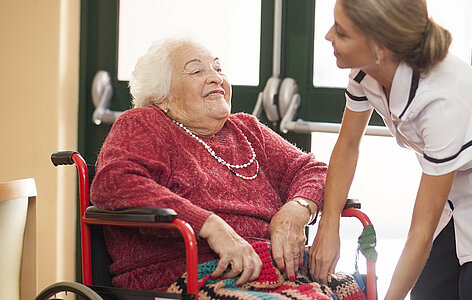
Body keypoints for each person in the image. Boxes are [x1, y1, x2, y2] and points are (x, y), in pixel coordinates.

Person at [91, 37, 364, 299]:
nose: (216, 77)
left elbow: (314, 170)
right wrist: (211, 227)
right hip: (188, 276)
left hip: (273, 272)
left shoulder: (246, 130)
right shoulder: (144, 124)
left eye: (219, 68)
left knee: (356, 287)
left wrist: (297, 209)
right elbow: (114, 183)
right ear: (161, 96)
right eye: (196, 70)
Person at [309, 0, 472, 299]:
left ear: (380, 47)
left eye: (341, 33)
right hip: (451, 196)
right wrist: (328, 226)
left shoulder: (443, 101)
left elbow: (420, 233)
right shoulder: (364, 72)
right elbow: (348, 144)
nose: (328, 36)